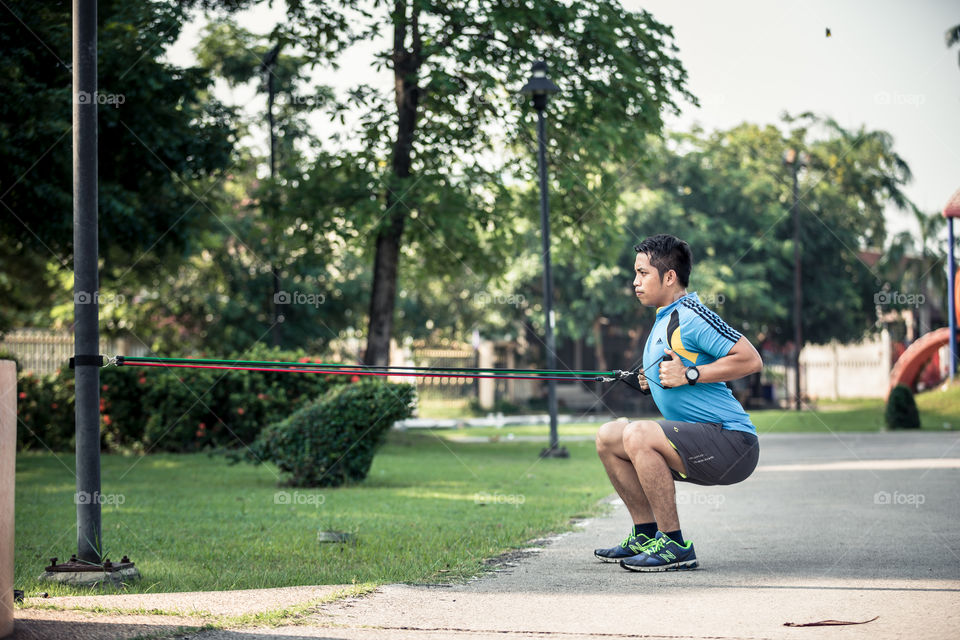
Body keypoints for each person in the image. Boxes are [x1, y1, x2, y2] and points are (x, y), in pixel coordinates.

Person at [594, 234, 762, 571]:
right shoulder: (663, 319)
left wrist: (691, 374)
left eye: (643, 273)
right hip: (702, 438)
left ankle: (674, 545)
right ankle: (645, 534)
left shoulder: (691, 315)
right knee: (609, 436)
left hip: (734, 443)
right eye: (636, 273)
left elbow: (750, 359)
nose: (635, 281)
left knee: (637, 434)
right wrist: (648, 381)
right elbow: (672, 370)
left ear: (669, 277)